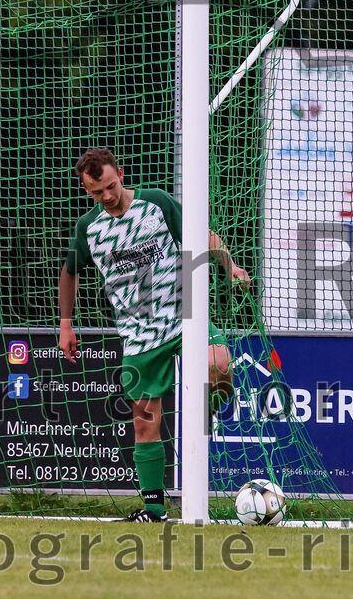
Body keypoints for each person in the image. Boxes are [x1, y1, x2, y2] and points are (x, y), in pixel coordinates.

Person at [59, 147, 249, 522]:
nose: (107, 197)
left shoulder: (157, 204)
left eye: (110, 187)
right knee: (145, 421)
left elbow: (201, 234)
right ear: (87, 191)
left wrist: (230, 265)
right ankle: (153, 509)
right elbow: (70, 271)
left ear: (121, 174)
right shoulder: (89, 228)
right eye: (97, 193)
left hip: (186, 314)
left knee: (220, 367)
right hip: (139, 331)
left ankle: (204, 414)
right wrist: (66, 324)